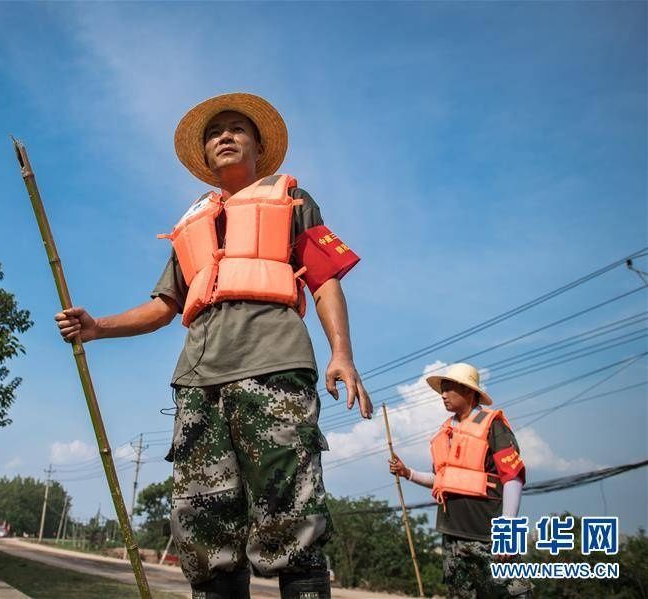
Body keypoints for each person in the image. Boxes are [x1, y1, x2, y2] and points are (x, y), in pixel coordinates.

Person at [55, 92, 372, 599]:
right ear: (205, 154)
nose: (224, 135)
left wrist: (342, 353)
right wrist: (98, 327)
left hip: (274, 371)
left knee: (291, 519)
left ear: (256, 145)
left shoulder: (290, 197)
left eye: (236, 128)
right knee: (205, 528)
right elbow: (163, 306)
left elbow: (326, 278)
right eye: (215, 131)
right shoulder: (193, 223)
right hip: (198, 385)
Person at [388, 363, 532, 598]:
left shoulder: (492, 425)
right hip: (453, 538)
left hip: (489, 537)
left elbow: (513, 476)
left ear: (468, 391)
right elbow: (442, 479)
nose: (442, 395)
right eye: (441, 390)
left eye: (448, 388)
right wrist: (408, 473)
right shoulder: (445, 432)